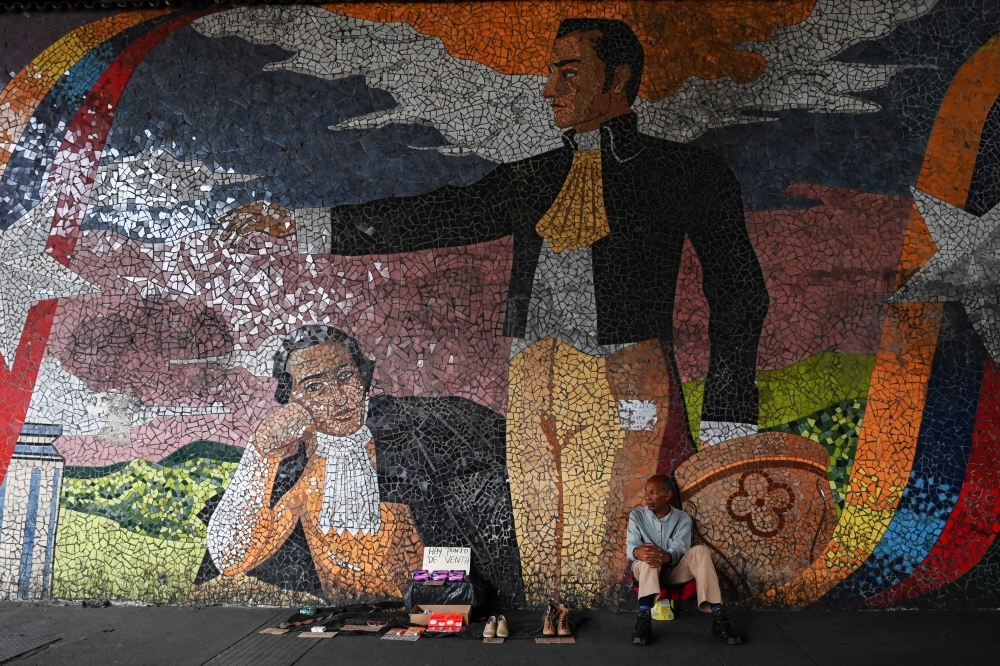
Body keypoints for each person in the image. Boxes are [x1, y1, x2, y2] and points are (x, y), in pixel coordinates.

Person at [226, 19, 768, 606]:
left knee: (621, 534)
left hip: (629, 375)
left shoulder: (686, 172)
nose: (549, 89)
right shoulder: (533, 177)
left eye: (568, 72)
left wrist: (728, 418)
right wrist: (304, 224)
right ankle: (553, 623)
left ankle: (628, 625)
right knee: (539, 534)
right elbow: (439, 215)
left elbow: (739, 291)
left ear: (618, 78)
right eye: (550, 72)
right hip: (534, 376)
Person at [205, 325, 522, 603]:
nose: (338, 398)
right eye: (315, 386)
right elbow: (232, 557)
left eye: (345, 377)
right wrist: (259, 455)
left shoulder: (420, 434)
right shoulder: (296, 476)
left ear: (362, 377)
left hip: (435, 603)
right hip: (353, 618)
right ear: (292, 400)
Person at [627, 474, 743, 645]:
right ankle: (643, 621)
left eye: (653, 492)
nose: (647, 496)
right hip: (645, 571)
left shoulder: (682, 518)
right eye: (646, 491)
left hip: (674, 571)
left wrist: (665, 556)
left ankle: (719, 618)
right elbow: (631, 547)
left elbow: (681, 548)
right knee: (649, 555)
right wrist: (639, 552)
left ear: (667, 495)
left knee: (700, 551)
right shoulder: (637, 516)